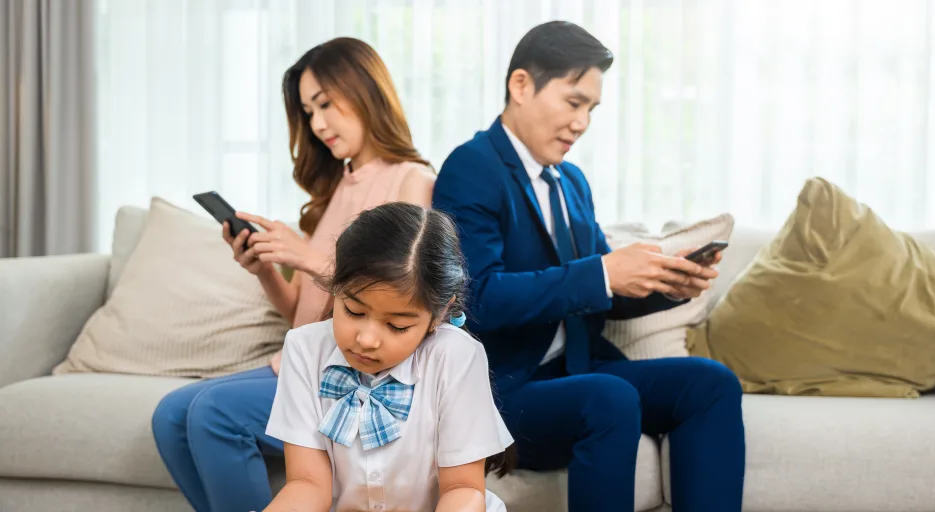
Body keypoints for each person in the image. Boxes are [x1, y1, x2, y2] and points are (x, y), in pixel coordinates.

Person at [432, 21, 745, 512]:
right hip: (507, 389)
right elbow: (480, 300)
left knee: (710, 383)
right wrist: (602, 273)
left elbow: (600, 292)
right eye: (573, 102)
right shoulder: (471, 168)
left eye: (591, 109)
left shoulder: (571, 181)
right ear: (520, 86)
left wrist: (666, 286)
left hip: (579, 370)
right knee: (610, 398)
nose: (582, 123)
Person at [150, 37, 436, 512]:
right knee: (170, 415)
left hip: (352, 370)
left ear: (365, 90)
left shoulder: (411, 179)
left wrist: (305, 255)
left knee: (213, 415)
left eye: (325, 104)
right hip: (303, 359)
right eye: (308, 111)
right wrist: (266, 270)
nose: (318, 123)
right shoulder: (337, 187)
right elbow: (301, 314)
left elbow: (398, 290)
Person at [264, 202, 515, 512]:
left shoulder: (456, 356)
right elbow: (307, 484)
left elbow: (463, 489)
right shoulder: (304, 348)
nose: (366, 340)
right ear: (336, 287)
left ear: (437, 315)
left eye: (397, 326)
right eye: (354, 311)